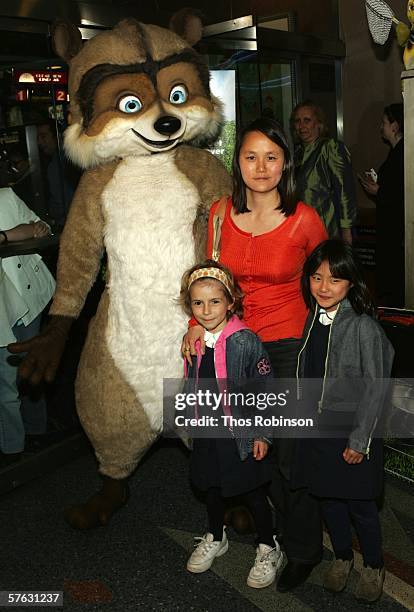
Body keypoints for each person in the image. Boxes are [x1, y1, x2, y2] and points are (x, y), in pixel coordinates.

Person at [184, 117, 328, 591]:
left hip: (286, 346)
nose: (261, 166)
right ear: (237, 161)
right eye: (251, 156)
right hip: (231, 343)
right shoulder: (221, 215)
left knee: (288, 454)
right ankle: (248, 534)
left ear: (285, 161)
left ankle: (299, 547)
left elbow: (330, 279)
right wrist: (193, 324)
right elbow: (208, 276)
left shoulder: (304, 219)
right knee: (230, 442)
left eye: (272, 156)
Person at [297, 239, 394, 603]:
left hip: (354, 430)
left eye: (335, 280)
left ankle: (372, 564)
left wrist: (359, 441)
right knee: (329, 501)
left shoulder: (363, 327)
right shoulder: (312, 319)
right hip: (321, 430)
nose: (324, 287)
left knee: (361, 506)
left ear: (351, 283)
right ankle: (341, 556)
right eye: (317, 277)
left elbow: (377, 387)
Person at [179, 260, 283, 589]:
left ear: (231, 302)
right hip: (207, 430)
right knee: (210, 485)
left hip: (240, 433)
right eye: (198, 303)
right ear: (189, 306)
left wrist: (263, 433)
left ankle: (269, 544)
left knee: (252, 492)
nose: (206, 310)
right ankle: (215, 534)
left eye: (215, 302)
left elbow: (266, 390)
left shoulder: (245, 341)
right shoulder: (193, 339)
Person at [0, 187, 55, 464]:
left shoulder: (6, 197)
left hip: (26, 297)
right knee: (5, 380)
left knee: (30, 366)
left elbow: (39, 225)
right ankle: (14, 445)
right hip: (1, 307)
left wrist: (38, 229)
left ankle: (37, 431)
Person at [358, 103, 405, 306]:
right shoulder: (396, 152)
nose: (381, 127)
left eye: (384, 122)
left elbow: (402, 194)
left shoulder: (403, 153)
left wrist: (379, 191)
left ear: (395, 125)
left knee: (395, 283)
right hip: (392, 226)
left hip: (397, 230)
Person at [292, 100, 357, 242]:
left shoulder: (330, 148)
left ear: (319, 124)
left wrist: (347, 231)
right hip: (301, 231)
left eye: (307, 120)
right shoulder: (297, 154)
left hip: (327, 230)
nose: (301, 126)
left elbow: (345, 189)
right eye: (297, 121)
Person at [37, 120, 79, 230]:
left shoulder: (56, 164)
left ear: (58, 135)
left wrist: (50, 214)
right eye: (38, 138)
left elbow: (60, 203)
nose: (40, 142)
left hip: (69, 224)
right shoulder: (75, 155)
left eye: (44, 136)